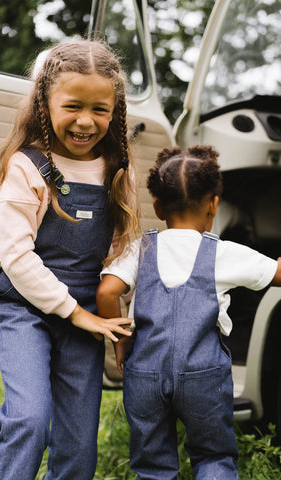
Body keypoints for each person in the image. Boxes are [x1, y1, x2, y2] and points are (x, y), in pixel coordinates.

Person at [0, 38, 139, 480]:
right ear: (45, 102)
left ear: (114, 111)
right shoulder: (27, 167)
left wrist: (110, 308)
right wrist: (74, 313)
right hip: (27, 309)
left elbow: (123, 247)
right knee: (28, 419)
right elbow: (16, 255)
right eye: (73, 106)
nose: (86, 121)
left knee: (79, 440)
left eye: (100, 109)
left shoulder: (117, 167)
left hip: (86, 314)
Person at [96, 144, 281, 480]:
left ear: (158, 206)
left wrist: (121, 341)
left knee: (152, 466)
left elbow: (107, 291)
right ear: (214, 204)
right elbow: (277, 275)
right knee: (213, 457)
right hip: (203, 374)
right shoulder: (222, 253)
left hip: (145, 374)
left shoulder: (142, 248)